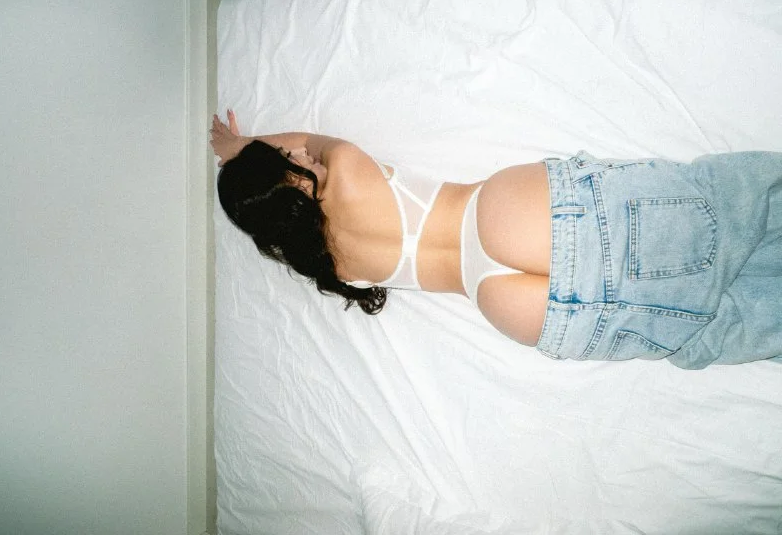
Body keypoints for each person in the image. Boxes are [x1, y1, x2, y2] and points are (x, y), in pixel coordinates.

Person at [211, 110, 782, 369]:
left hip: (510, 307)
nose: (298, 153)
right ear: (287, 180)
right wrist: (240, 147)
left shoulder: (334, 266)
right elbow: (308, 137)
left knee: (715, 325)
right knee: (732, 204)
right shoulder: (347, 172)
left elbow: (294, 159)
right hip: (514, 219)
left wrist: (252, 171)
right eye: (287, 160)